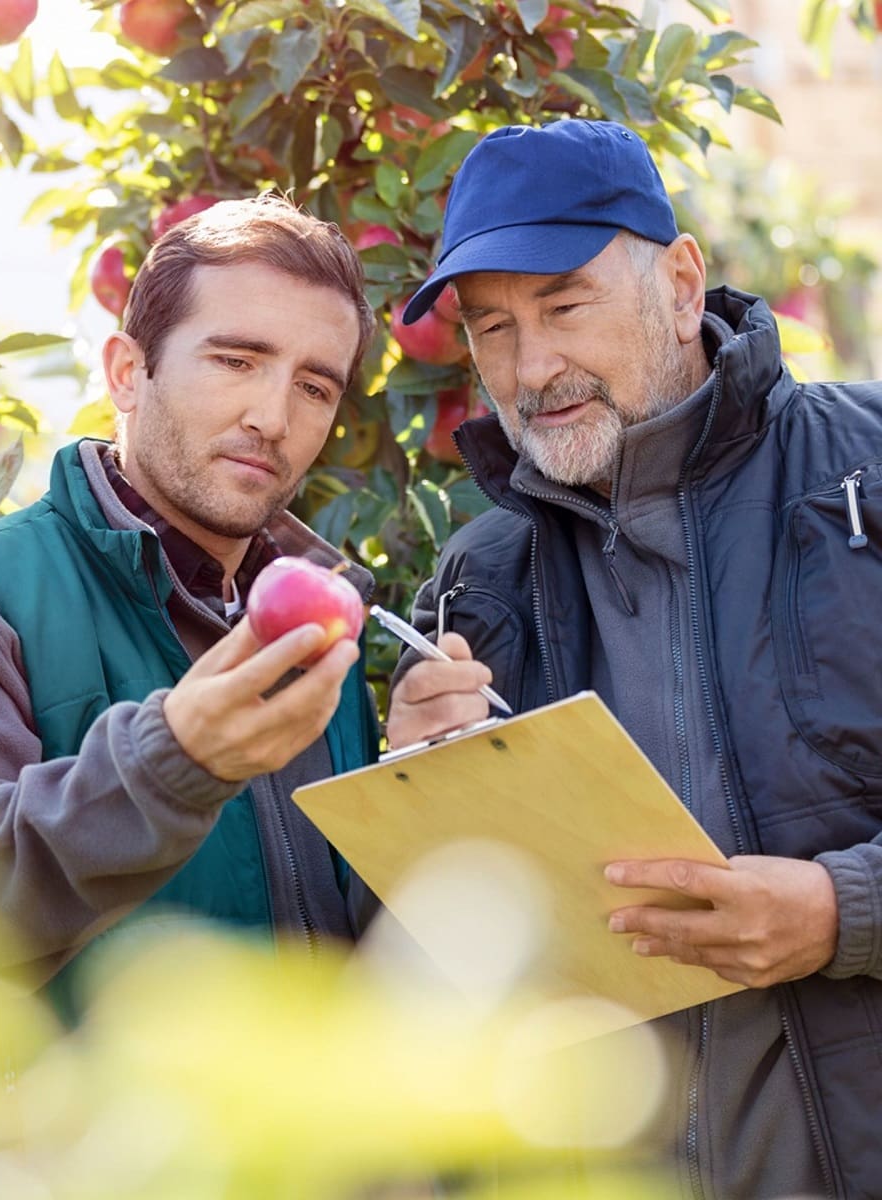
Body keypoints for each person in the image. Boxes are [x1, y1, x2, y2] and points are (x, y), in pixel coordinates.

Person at [388, 118, 882, 1198]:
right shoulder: (475, 584)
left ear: (680, 281)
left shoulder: (867, 478)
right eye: (492, 330)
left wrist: (844, 913)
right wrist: (419, 804)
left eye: (565, 304)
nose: (534, 366)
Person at [0, 196, 382, 1014]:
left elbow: (334, 954)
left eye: (314, 386)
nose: (273, 417)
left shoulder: (317, 631)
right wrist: (173, 764)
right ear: (128, 372)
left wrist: (421, 798)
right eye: (235, 361)